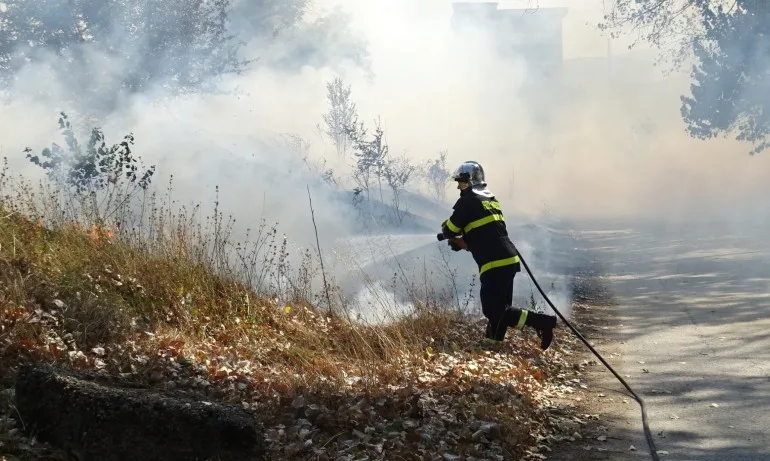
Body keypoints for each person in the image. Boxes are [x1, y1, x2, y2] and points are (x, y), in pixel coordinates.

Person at [440, 160, 557, 350]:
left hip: (494, 262)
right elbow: (485, 236)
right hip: (507, 258)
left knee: (493, 309)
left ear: (469, 181)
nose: (459, 187)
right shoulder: (490, 200)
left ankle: (542, 322)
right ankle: (492, 345)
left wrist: (447, 231)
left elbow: (450, 229)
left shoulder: (467, 201)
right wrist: (462, 243)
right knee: (501, 309)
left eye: (461, 182)